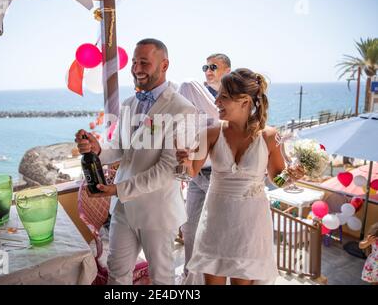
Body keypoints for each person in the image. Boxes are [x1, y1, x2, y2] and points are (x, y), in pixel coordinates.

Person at [75, 38, 197, 285]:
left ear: (164, 65)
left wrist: (119, 188)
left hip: (157, 212)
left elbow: (166, 170)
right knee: (117, 273)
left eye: (144, 62)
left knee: (161, 277)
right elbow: (121, 149)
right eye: (134, 62)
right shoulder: (130, 103)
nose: (136, 68)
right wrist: (98, 149)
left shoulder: (183, 109)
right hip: (123, 210)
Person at [176, 68, 304, 285]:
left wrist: (291, 176)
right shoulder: (211, 133)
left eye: (223, 96)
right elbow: (191, 172)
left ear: (244, 101)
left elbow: (276, 179)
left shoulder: (270, 137)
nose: (216, 101)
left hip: (250, 225)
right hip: (215, 221)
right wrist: (184, 162)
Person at [177, 54, 231, 275]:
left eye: (213, 67)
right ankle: (190, 275)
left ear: (227, 70)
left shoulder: (231, 100)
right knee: (189, 228)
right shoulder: (196, 96)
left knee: (217, 230)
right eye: (205, 67)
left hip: (218, 176)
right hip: (195, 173)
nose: (207, 71)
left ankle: (218, 274)